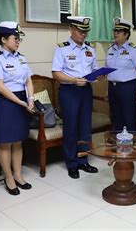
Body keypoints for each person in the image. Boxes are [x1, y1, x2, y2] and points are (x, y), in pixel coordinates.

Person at [0, 21, 34, 196]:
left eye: (19, 38)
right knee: (6, 142)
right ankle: (9, 178)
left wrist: (29, 98)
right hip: (7, 102)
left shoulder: (21, 58)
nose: (18, 41)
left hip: (22, 100)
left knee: (18, 141)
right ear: (3, 39)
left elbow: (28, 80)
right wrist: (20, 102)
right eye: (15, 38)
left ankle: (18, 175)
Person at [52, 16, 99, 179]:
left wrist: (96, 76)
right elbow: (56, 73)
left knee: (85, 126)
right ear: (71, 29)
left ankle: (83, 160)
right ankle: (72, 163)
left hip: (86, 90)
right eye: (80, 31)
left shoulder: (90, 49)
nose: (83, 34)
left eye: (86, 31)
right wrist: (73, 80)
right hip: (69, 91)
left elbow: (94, 69)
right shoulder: (62, 49)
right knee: (71, 127)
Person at [105, 17, 136, 132]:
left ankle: (132, 148)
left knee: (129, 119)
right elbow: (108, 70)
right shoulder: (110, 49)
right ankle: (117, 148)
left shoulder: (134, 50)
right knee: (115, 119)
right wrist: (107, 90)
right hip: (112, 87)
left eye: (119, 31)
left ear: (126, 34)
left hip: (128, 87)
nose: (115, 33)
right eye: (115, 31)